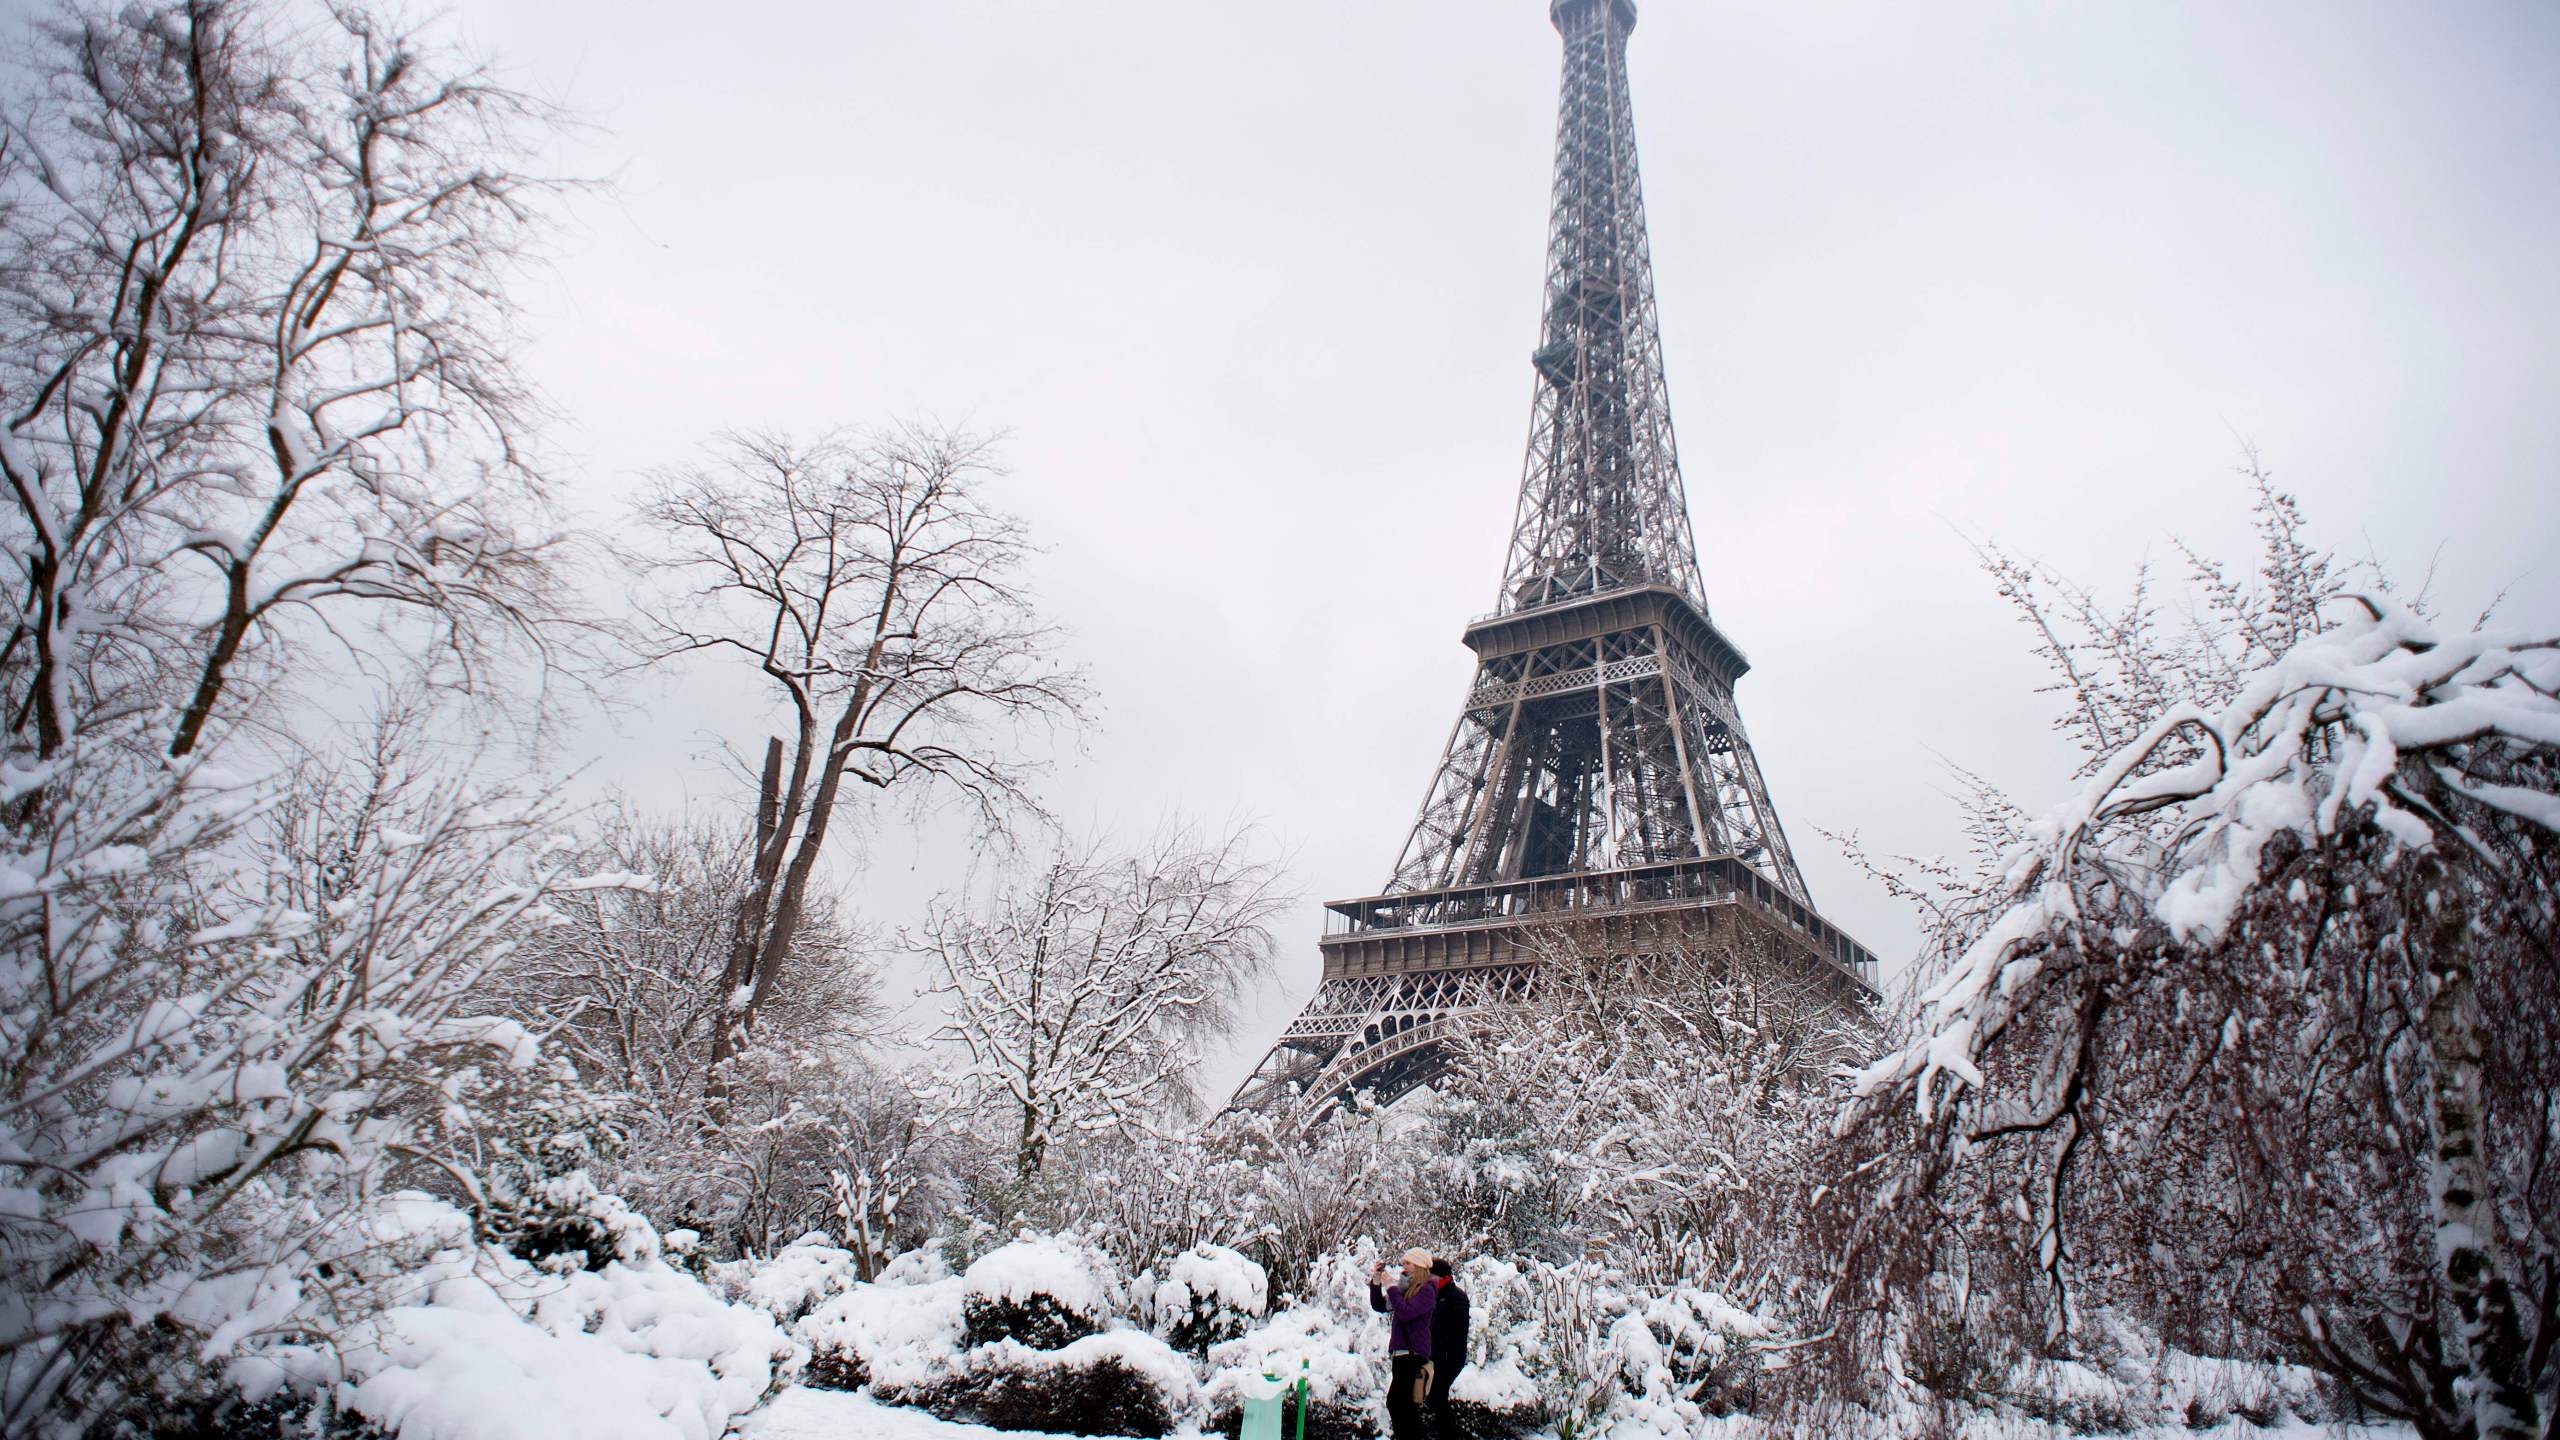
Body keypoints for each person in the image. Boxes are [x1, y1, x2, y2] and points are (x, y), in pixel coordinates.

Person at [1368, 1247, 1439, 1440]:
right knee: (1403, 1405)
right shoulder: (1403, 1288)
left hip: (1413, 1353)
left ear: (1420, 1265)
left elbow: (1406, 1312)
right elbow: (1380, 1306)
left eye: (1408, 1263)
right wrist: (1377, 1281)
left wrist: (1391, 1286)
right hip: (1401, 1353)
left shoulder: (1427, 1290)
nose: (1404, 1266)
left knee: (1398, 1403)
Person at [1427, 1257, 1471, 1440]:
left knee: (1437, 1395)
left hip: (1450, 1358)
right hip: (1435, 1356)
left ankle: (1449, 1434)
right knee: (1435, 1397)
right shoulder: (1434, 1294)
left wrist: (1443, 1353)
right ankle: (1446, 1433)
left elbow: (1458, 1332)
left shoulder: (1457, 1297)